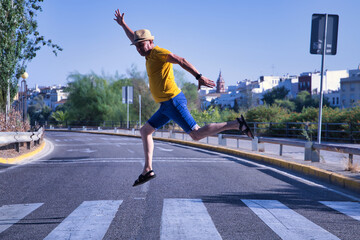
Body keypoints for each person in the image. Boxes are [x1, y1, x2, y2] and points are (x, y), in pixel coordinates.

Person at [114, 9, 254, 187]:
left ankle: (236, 124)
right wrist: (123, 25)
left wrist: (199, 76)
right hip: (165, 106)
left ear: (151, 42)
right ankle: (148, 169)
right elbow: (133, 37)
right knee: (145, 131)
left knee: (195, 134)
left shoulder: (157, 53)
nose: (139, 48)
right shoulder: (148, 55)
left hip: (173, 102)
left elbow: (180, 59)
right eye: (137, 46)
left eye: (142, 45)